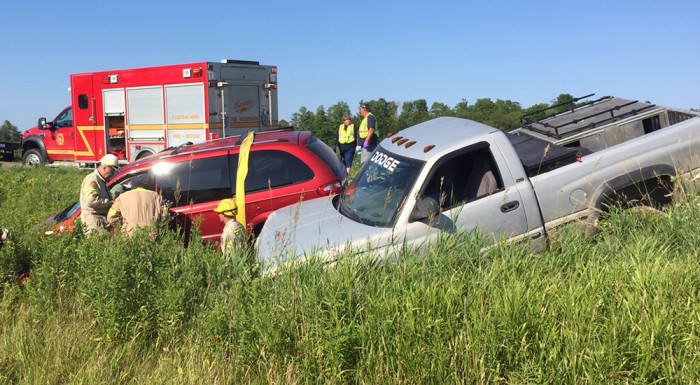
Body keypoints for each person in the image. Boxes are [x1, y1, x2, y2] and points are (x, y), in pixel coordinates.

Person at [79, 154, 119, 234]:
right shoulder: (93, 180)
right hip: (93, 220)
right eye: (111, 171)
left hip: (99, 218)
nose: (112, 174)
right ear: (105, 168)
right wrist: (111, 203)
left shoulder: (101, 180)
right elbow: (91, 201)